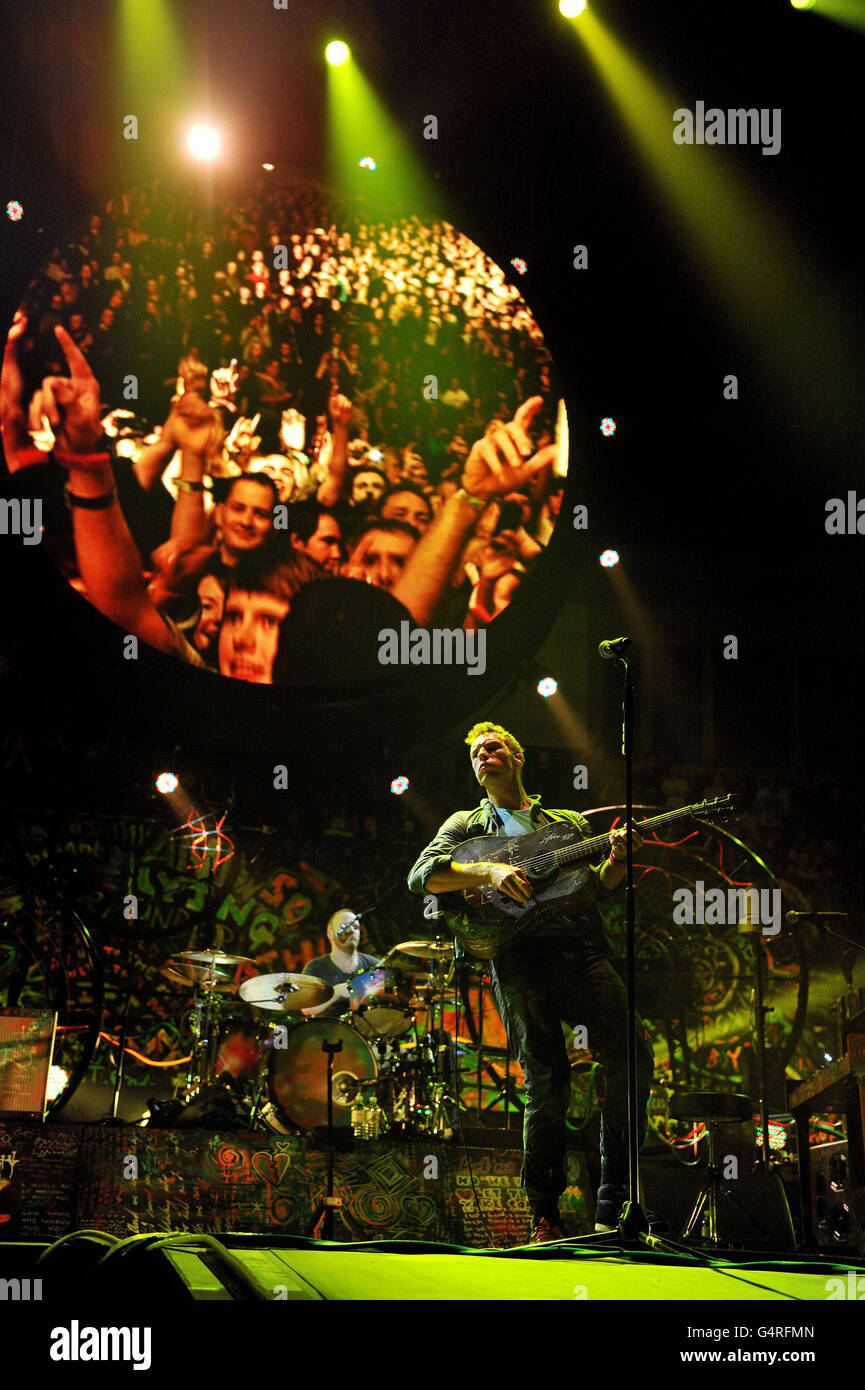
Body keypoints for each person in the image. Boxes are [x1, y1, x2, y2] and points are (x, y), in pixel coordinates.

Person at [407, 722, 654, 1245]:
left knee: (632, 1053)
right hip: (518, 958)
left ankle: (617, 1204)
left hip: (579, 949)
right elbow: (421, 876)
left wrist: (618, 860)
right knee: (548, 1081)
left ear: (517, 756)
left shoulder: (563, 824)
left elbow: (598, 888)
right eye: (475, 754)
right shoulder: (465, 825)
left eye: (492, 747)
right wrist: (489, 872)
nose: (483, 757)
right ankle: (546, 1213)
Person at [301, 910, 381, 1020]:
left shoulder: (375, 965)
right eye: (345, 926)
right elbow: (306, 1009)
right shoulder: (315, 967)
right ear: (330, 933)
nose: (351, 930)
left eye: (356, 927)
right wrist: (337, 992)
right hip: (327, 1033)